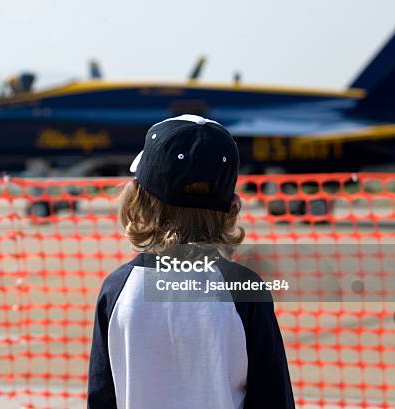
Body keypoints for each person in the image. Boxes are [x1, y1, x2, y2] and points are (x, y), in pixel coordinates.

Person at [87, 115, 295, 409]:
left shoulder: (117, 290)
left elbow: (101, 398)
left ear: (139, 198)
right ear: (232, 205)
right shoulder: (244, 290)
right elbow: (273, 399)